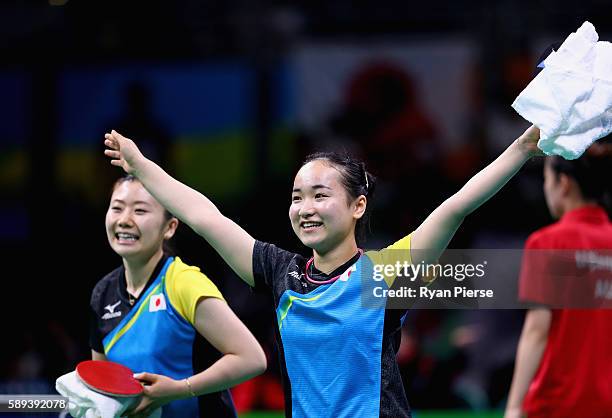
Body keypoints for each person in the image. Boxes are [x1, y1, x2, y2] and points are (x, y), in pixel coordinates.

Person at [103, 123, 541, 417]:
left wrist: (522, 147)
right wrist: (141, 165)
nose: (305, 208)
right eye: (297, 197)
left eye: (319, 196)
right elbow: (205, 216)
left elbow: (457, 205)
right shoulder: (281, 273)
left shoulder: (382, 273)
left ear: (357, 206)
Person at [90, 175, 266, 417]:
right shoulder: (103, 294)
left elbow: (251, 358)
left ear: (170, 227)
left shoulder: (184, 283)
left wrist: (180, 389)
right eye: (117, 208)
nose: (124, 220)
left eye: (140, 211)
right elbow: (102, 382)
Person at [504, 145, 612, 418]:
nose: (545, 187)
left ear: (563, 183)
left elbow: (537, 329)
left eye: (546, 179)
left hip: (557, 405)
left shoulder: (547, 243)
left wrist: (515, 407)